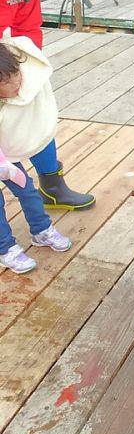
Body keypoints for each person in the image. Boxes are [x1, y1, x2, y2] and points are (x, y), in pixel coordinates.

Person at [0, 0, 95, 210]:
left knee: (36, 113)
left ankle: (53, 187)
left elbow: (29, 26)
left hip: (9, 55)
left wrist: (25, 70)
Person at [0, 38, 72, 273]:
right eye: (8, 82)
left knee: (28, 190)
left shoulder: (18, 78)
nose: (17, 83)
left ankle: (41, 230)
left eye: (16, 75)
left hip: (5, 157)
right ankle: (5, 248)